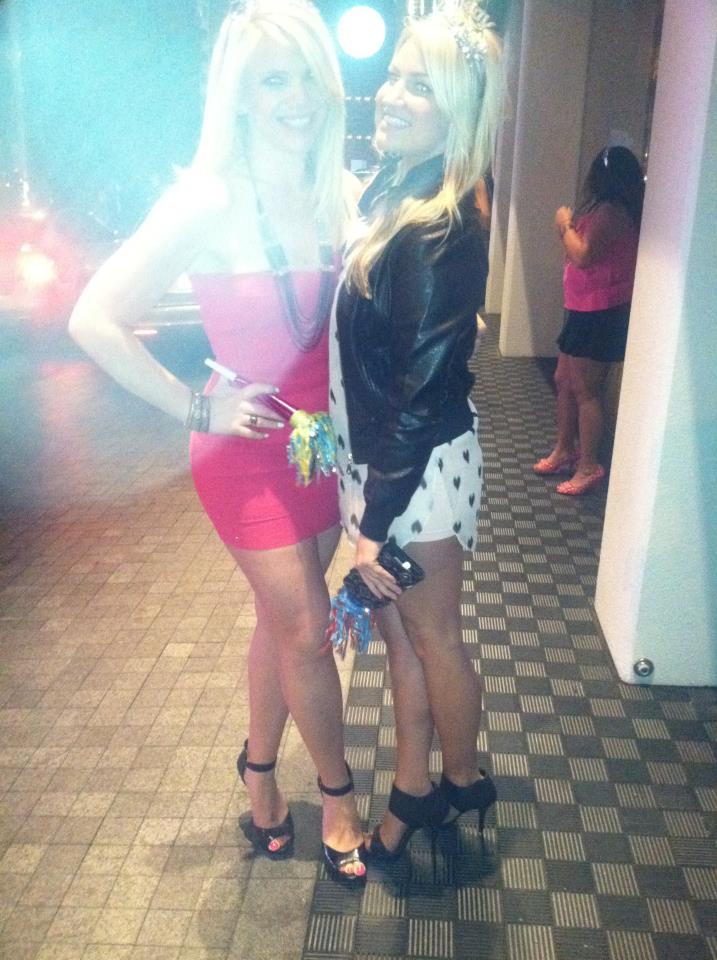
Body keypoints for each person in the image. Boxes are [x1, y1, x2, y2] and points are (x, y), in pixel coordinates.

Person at [69, 0, 367, 883]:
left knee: (285, 619)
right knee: (308, 626)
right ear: (237, 93)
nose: (295, 97)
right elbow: (94, 317)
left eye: (307, 76)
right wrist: (191, 408)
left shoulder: (338, 190)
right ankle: (339, 794)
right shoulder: (207, 196)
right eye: (272, 79)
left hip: (315, 445)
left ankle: (259, 774)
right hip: (242, 452)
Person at [330, 2, 503, 862]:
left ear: (458, 111)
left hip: (417, 468)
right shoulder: (397, 190)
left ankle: (461, 782)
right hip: (386, 462)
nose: (393, 95)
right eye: (395, 76)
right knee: (402, 637)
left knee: (433, 636)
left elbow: (422, 393)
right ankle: (414, 790)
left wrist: (372, 523)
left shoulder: (439, 224)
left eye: (420, 86)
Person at [533, 145, 645, 495]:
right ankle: (564, 449)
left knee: (586, 390)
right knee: (563, 379)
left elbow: (582, 254)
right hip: (584, 307)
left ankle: (589, 464)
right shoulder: (603, 208)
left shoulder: (612, 211)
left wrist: (564, 225)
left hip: (601, 310)